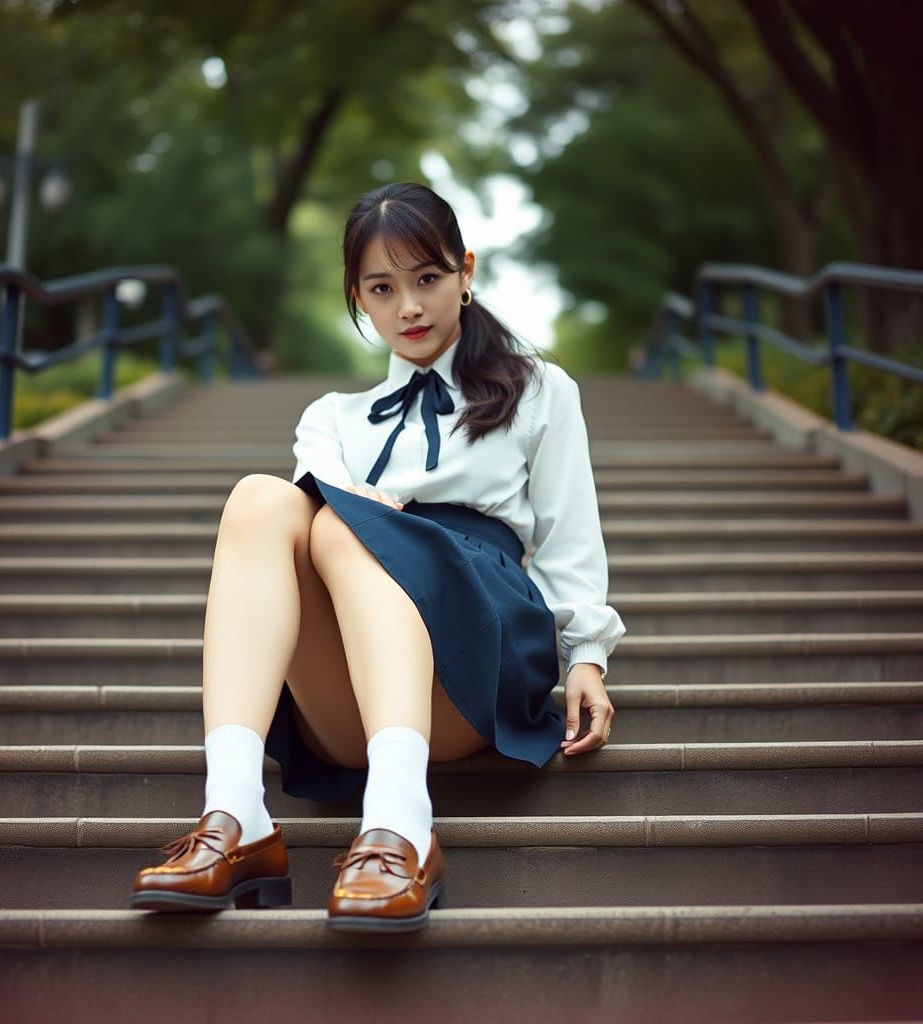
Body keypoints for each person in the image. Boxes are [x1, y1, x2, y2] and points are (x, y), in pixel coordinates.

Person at [130, 181, 626, 931]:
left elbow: (568, 535)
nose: (410, 308)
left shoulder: (539, 390)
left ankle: (399, 822)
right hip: (357, 691)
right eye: (382, 289)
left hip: (477, 653)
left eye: (427, 279)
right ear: (357, 298)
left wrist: (587, 654)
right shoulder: (331, 420)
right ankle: (235, 816)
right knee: (261, 500)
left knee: (337, 525)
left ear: (466, 269)